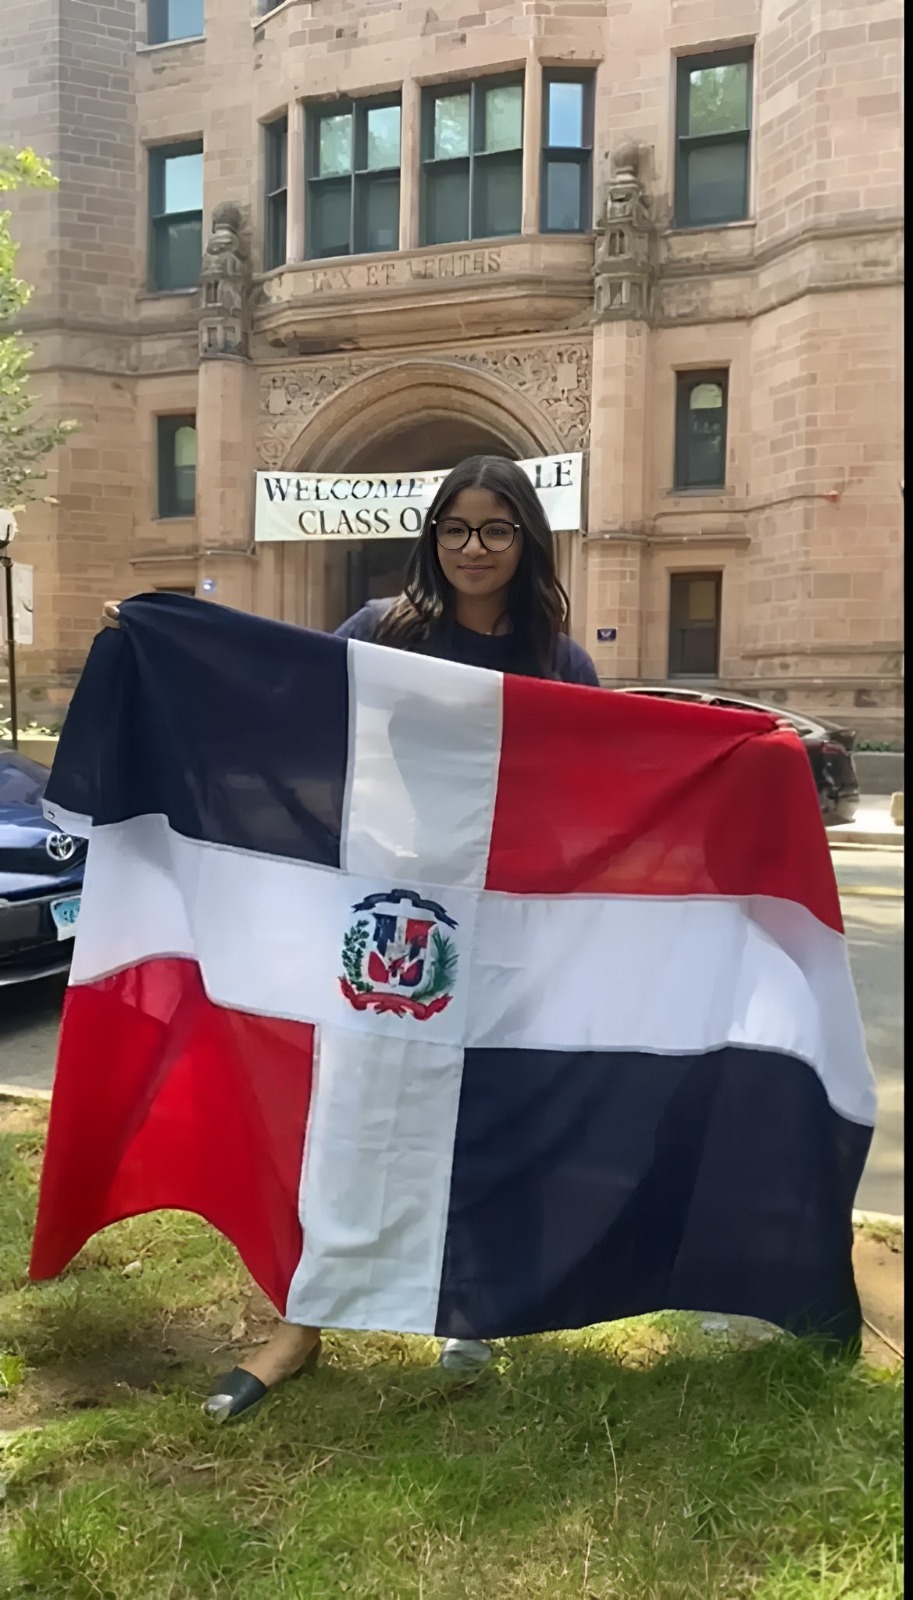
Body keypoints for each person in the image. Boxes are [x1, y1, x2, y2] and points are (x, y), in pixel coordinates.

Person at [102, 454, 795, 1421]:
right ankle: (300, 1319)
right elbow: (276, 701)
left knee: (491, 1103)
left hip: (507, 923)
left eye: (496, 529)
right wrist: (162, 646)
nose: (474, 548)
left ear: (526, 539)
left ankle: (469, 1301)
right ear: (433, 536)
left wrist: (743, 755)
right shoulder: (381, 631)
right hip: (388, 914)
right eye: (456, 529)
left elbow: (601, 781)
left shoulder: (558, 658)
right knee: (347, 1105)